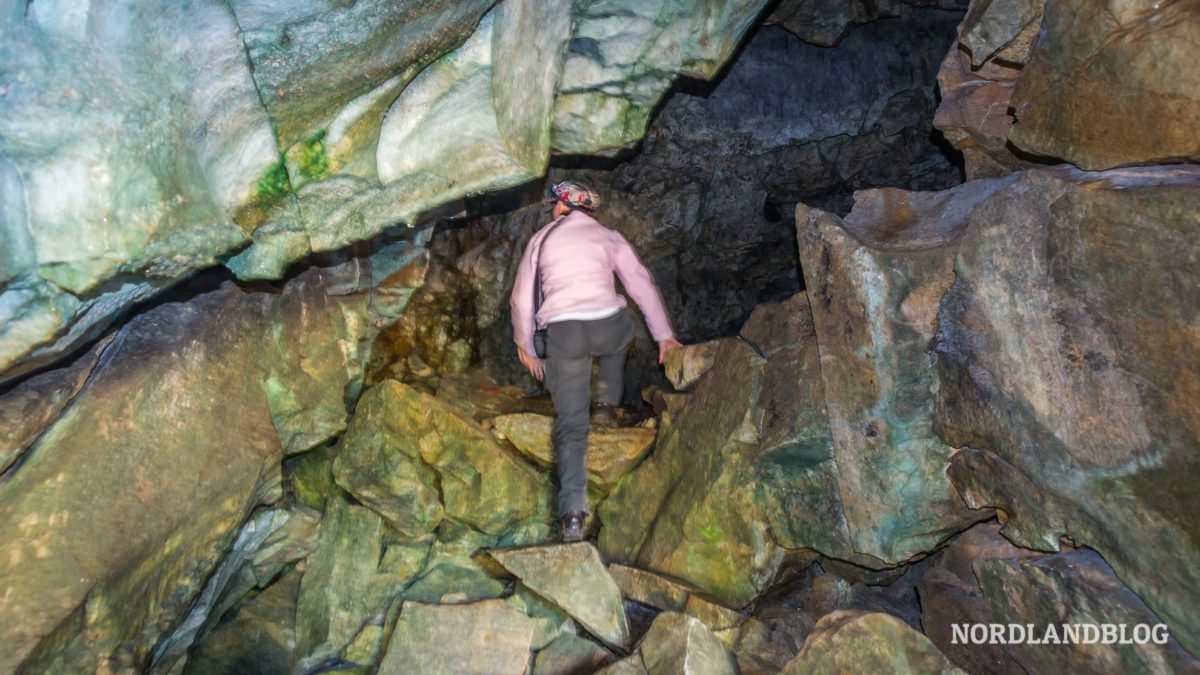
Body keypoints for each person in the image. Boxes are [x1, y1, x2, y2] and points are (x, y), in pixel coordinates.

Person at [510, 180, 682, 542]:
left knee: (571, 424)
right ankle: (605, 404)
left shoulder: (541, 240)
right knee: (621, 330)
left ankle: (573, 513)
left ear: (560, 206)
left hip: (564, 333)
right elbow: (641, 284)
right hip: (608, 326)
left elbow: (522, 300)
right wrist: (664, 336)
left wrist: (527, 346)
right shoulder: (608, 236)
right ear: (590, 210)